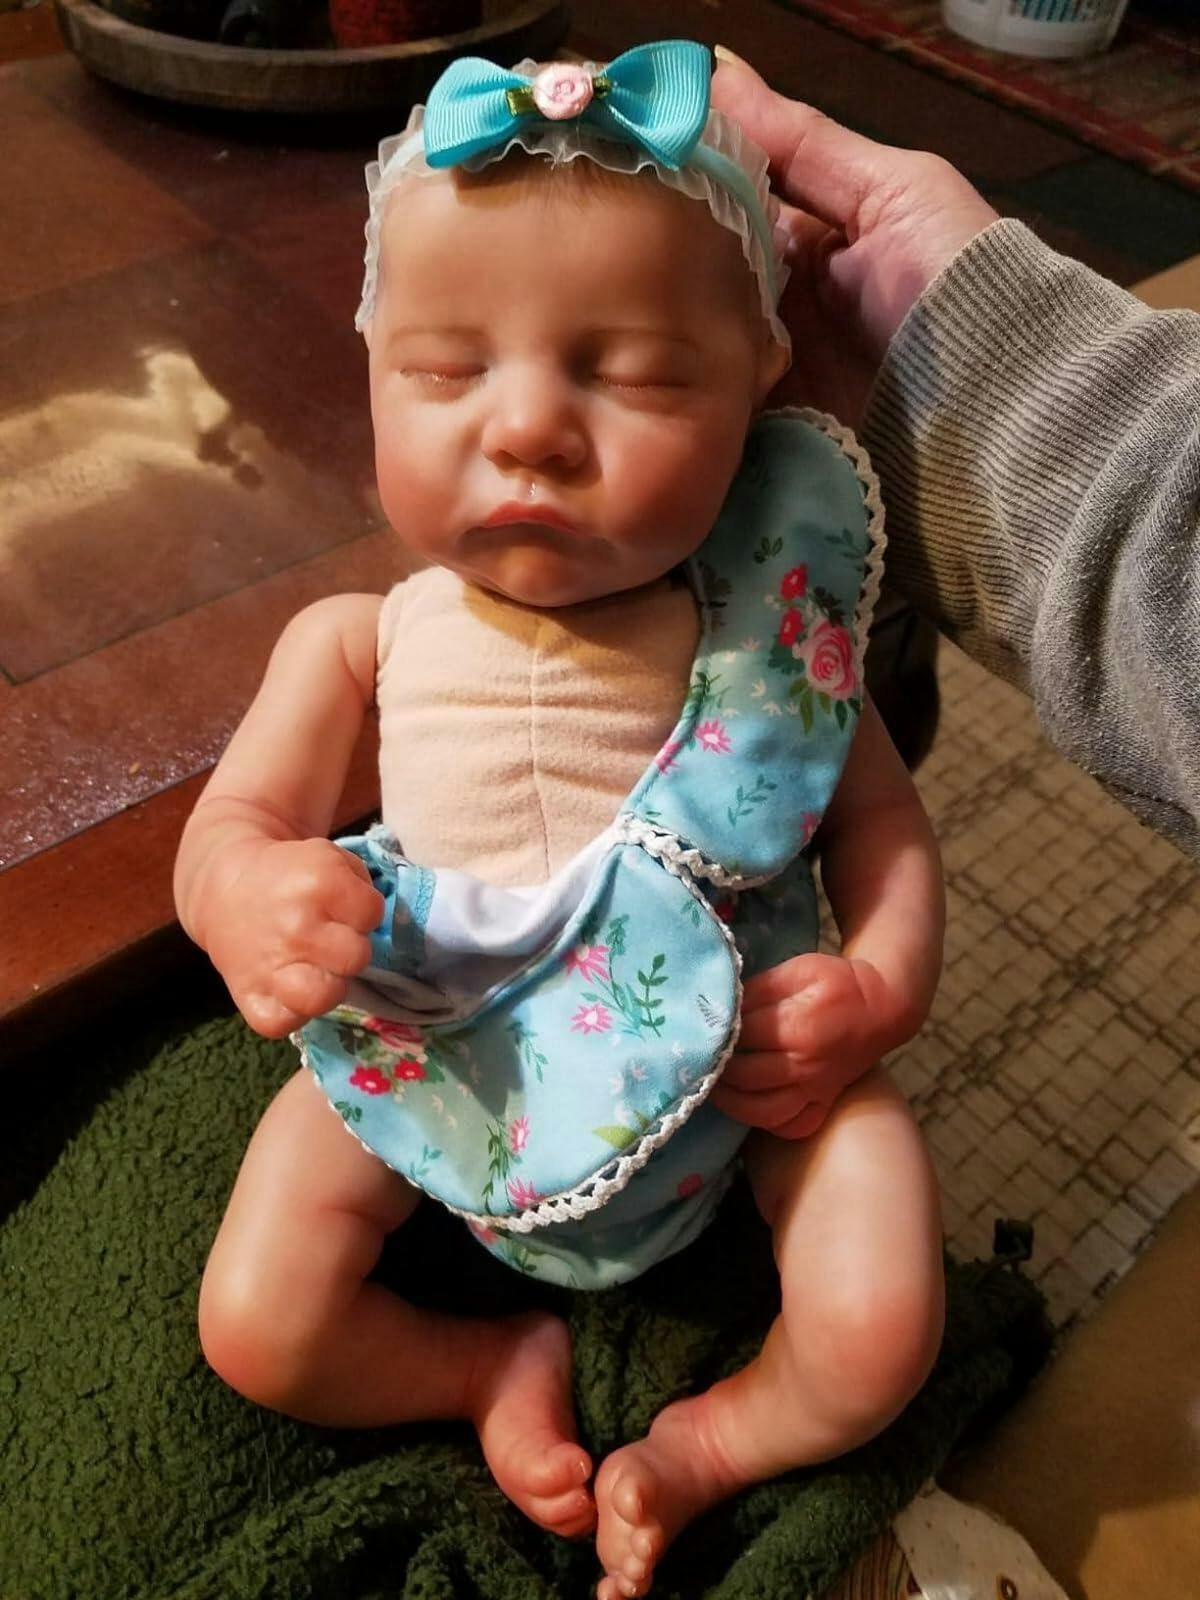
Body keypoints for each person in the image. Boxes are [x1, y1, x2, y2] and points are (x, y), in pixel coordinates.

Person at [174, 43, 945, 1600]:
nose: (526, 426)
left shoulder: (771, 642)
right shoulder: (357, 640)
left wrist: (874, 994)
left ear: (759, 379)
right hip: (440, 1035)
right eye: (445, 370)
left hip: (739, 1068)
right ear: (371, 362)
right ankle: (481, 1366)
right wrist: (246, 896)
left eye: (637, 373)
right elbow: (230, 826)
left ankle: (714, 1441)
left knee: (881, 1324)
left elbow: (887, 839)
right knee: (257, 1321)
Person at [710, 47, 1200, 859]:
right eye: (475, 367)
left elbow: (882, 822)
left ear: (764, 360)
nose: (527, 428)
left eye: (633, 372)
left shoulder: (782, 586)